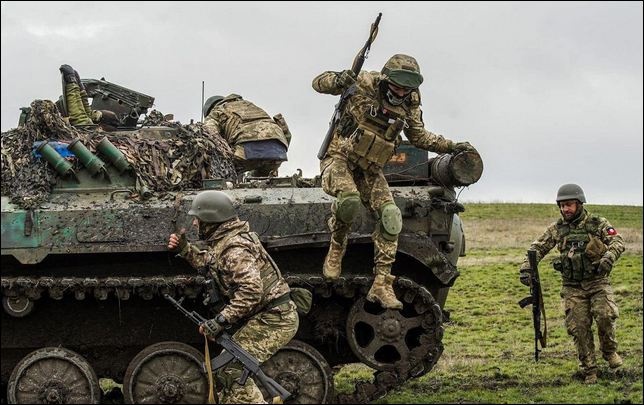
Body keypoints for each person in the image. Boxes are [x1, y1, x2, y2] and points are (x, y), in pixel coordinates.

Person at [312, 53, 477, 309]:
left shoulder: (410, 101)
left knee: (391, 216)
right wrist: (338, 80)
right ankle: (337, 247)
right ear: (387, 79)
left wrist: (451, 146)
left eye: (407, 88)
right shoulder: (365, 82)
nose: (400, 92)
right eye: (397, 86)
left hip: (370, 168)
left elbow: (419, 136)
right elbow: (318, 83)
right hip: (339, 158)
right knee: (349, 200)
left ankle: (381, 284)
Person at [167, 190, 299, 403]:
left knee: (230, 370)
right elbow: (212, 262)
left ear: (210, 220)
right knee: (227, 372)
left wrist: (221, 320)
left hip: (274, 319)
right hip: (268, 316)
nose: (194, 224)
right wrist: (185, 249)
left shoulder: (234, 247)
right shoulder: (225, 241)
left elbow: (251, 290)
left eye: (197, 219)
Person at [519, 184, 625, 384]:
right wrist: (527, 267)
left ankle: (609, 352)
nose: (564, 209)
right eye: (562, 206)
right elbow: (537, 248)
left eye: (569, 205)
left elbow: (617, 241)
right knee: (578, 327)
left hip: (597, 282)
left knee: (605, 315)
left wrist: (610, 256)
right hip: (572, 287)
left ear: (579, 204)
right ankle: (589, 369)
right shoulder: (558, 229)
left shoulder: (597, 224)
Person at [203, 94, 291, 177]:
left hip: (247, 147)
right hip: (279, 149)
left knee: (224, 171)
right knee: (260, 178)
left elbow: (209, 133)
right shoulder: (249, 105)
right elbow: (285, 134)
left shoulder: (217, 111)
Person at [58, 64, 118, 128]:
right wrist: (82, 90)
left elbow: (80, 120)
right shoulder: (95, 128)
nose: (93, 117)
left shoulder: (94, 132)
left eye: (97, 118)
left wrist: (71, 83)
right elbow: (87, 113)